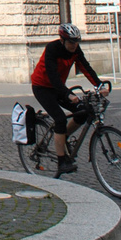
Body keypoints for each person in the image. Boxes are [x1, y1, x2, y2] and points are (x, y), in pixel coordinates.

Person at [31, 23, 106, 177]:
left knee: (82, 112)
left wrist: (99, 85)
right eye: (71, 42)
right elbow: (52, 76)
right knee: (59, 119)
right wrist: (68, 95)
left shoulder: (75, 50)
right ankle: (61, 162)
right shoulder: (52, 49)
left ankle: (62, 136)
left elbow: (86, 68)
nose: (74, 45)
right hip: (42, 87)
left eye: (76, 42)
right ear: (62, 40)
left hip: (59, 88)